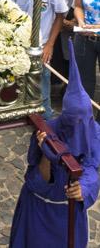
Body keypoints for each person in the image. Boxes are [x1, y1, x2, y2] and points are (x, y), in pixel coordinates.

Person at [9, 41, 100, 248]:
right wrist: (47, 155)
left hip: (68, 215)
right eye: (73, 120)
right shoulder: (47, 130)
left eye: (83, 119)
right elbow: (34, 179)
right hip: (39, 210)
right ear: (65, 116)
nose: (79, 126)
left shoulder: (95, 132)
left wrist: (84, 188)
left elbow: (92, 167)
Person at [6, 0, 67, 117]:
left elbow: (61, 15)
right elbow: (6, 11)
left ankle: (45, 121)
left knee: (43, 86)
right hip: (18, 46)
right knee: (18, 83)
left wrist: (50, 45)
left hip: (41, 47)